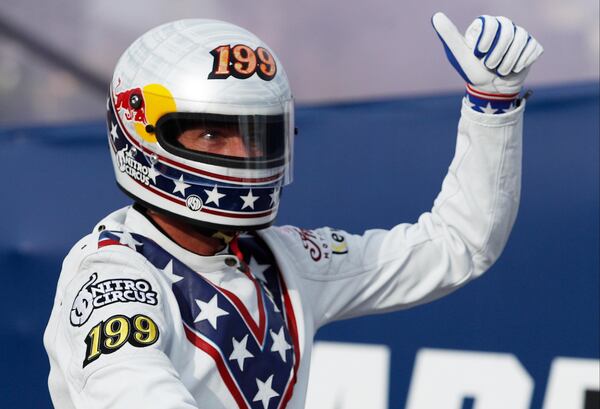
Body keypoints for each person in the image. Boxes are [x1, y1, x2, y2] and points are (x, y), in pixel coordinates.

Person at [44, 12, 543, 409]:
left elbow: (458, 245)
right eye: (213, 133)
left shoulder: (283, 259)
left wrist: (492, 106)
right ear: (142, 132)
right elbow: (134, 393)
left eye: (257, 133)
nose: (243, 156)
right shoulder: (111, 278)